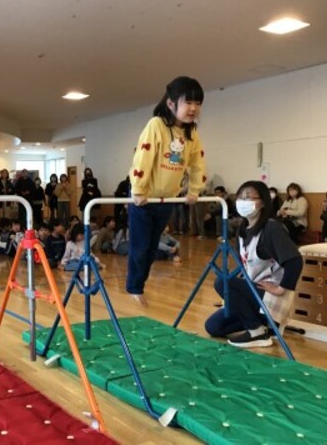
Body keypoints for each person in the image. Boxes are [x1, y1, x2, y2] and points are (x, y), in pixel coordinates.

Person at [127, 76, 207, 306]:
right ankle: (134, 287)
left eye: (198, 103)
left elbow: (197, 163)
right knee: (140, 247)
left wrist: (194, 190)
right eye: (188, 102)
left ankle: (139, 285)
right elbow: (144, 156)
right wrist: (138, 189)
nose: (193, 108)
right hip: (144, 199)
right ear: (171, 103)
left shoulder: (192, 134)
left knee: (152, 247)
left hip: (166, 199)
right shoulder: (157, 125)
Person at [205, 180, 303, 348]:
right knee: (214, 327)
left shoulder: (271, 229)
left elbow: (295, 260)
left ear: (263, 202)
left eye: (249, 197)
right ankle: (260, 324)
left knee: (222, 282)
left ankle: (257, 331)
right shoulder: (243, 229)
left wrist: (280, 289)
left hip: (270, 297)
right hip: (253, 294)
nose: (243, 201)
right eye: (240, 197)